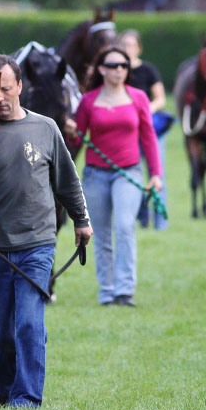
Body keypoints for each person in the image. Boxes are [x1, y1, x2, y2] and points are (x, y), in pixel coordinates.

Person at [0, 54, 92, 409]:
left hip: (36, 244)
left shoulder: (46, 128)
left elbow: (67, 181)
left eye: (6, 88)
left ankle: (26, 398)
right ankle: (5, 389)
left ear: (20, 87)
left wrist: (81, 221)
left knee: (28, 323)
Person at [66, 47, 162, 308]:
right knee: (102, 234)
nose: (120, 69)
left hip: (128, 173)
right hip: (96, 175)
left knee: (124, 226)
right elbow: (79, 138)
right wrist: (72, 130)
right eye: (114, 65)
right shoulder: (89, 101)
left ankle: (125, 290)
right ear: (102, 69)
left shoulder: (138, 98)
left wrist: (156, 174)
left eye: (124, 65)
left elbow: (149, 137)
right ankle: (107, 292)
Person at [117, 29, 169, 231]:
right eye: (124, 45)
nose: (127, 49)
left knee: (157, 175)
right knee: (132, 176)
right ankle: (138, 217)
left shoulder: (148, 70)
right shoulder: (118, 72)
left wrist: (146, 110)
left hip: (149, 129)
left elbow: (161, 98)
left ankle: (161, 222)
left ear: (139, 48)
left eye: (131, 45)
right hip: (128, 132)